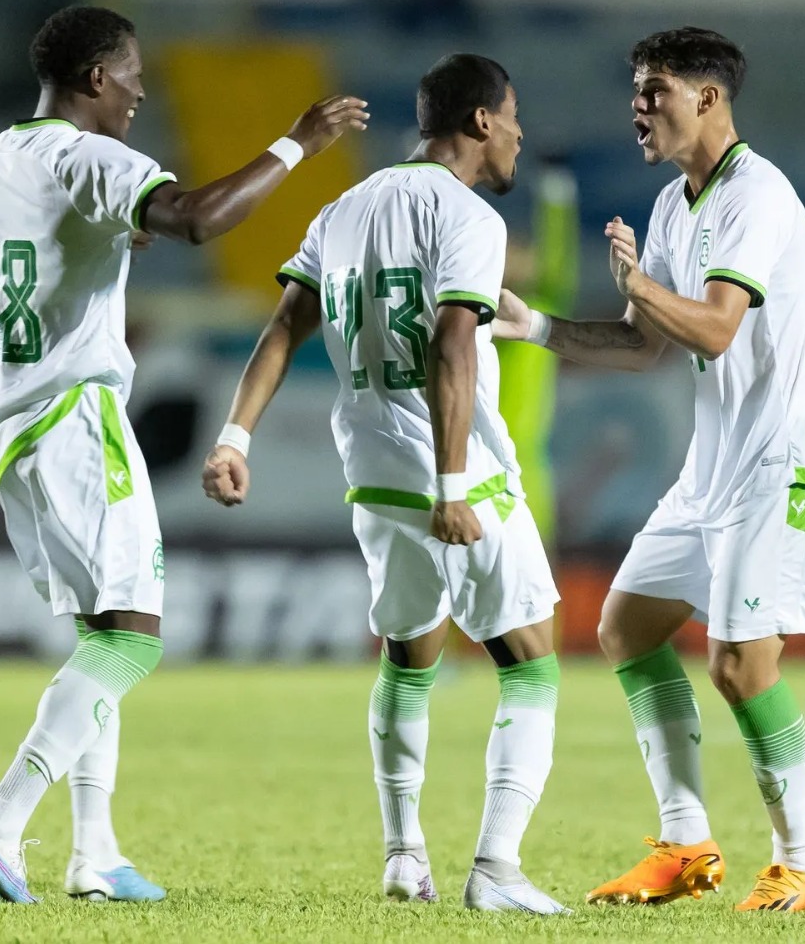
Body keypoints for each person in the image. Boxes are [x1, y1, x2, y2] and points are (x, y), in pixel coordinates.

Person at [0, 4, 367, 904]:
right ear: (96, 77)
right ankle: (0, 819)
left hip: (1, 417)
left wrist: (96, 241)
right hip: (71, 409)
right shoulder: (86, 153)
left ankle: (93, 854)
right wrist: (296, 145)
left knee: (101, 628)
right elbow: (203, 219)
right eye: (132, 77)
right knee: (134, 638)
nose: (141, 95)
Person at [493, 27, 805, 913]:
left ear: (708, 98)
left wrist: (642, 287)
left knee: (740, 666)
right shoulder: (671, 206)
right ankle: (688, 845)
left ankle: (802, 861)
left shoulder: (759, 197)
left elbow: (718, 325)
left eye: (653, 88)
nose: (637, 104)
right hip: (716, 467)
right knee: (626, 628)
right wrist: (534, 325)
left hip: (783, 464)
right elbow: (645, 342)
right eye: (634, 88)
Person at [201, 55, 565, 915]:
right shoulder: (466, 219)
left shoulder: (342, 209)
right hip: (453, 476)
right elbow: (451, 345)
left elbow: (286, 325)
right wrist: (451, 484)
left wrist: (234, 436)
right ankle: (497, 870)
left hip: (369, 474)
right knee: (533, 667)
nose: (519, 133)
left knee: (409, 659)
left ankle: (405, 854)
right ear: (480, 121)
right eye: (513, 116)